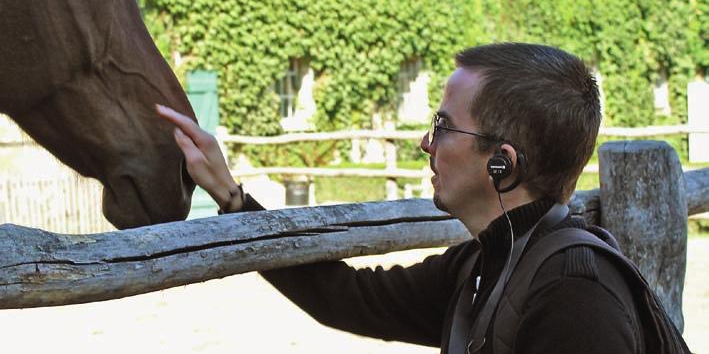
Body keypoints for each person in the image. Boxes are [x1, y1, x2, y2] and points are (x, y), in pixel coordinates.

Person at [156, 43, 683, 353]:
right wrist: (230, 195)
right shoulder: (484, 263)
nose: (425, 142)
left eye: (443, 125)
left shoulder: (575, 296)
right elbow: (345, 298)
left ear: (502, 163)